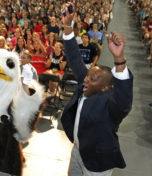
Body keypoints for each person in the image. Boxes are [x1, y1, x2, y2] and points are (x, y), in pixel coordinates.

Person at [60, 3, 133, 176]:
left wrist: (119, 58)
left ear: (106, 88)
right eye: (87, 75)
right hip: (78, 151)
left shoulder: (111, 106)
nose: (85, 79)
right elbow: (73, 56)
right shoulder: (85, 85)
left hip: (97, 162)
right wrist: (68, 25)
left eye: (93, 78)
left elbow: (124, 100)